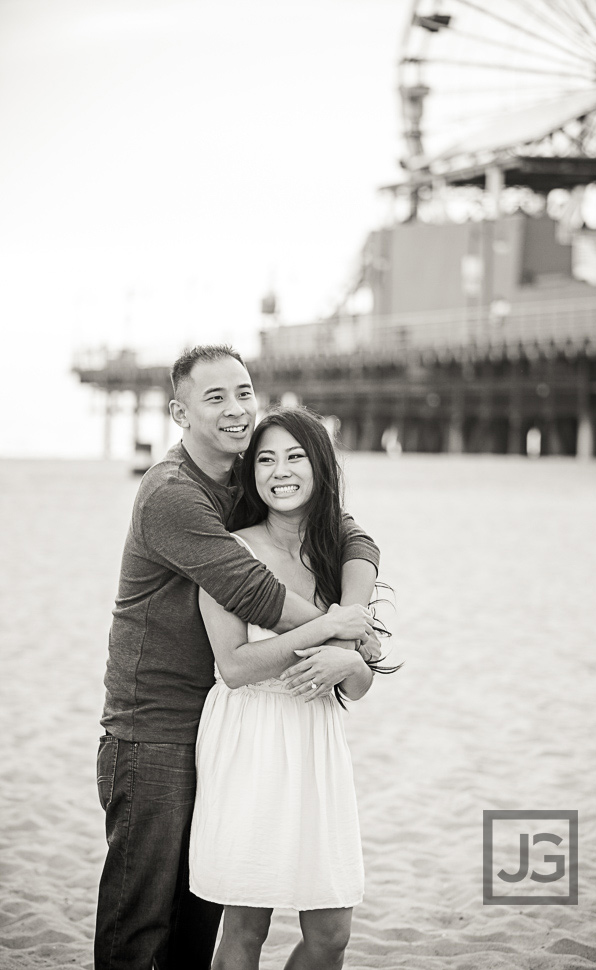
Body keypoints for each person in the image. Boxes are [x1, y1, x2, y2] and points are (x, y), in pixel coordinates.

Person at [94, 345, 381, 970]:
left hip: (218, 725)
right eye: (215, 397)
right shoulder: (174, 494)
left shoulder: (240, 479)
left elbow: (342, 526)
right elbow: (257, 595)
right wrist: (350, 633)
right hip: (154, 726)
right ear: (179, 411)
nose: (236, 409)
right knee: (141, 922)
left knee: (200, 915)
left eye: (244, 392)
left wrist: (356, 606)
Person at [190, 405, 397, 970]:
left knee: (332, 932)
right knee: (246, 925)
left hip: (317, 738)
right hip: (251, 732)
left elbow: (357, 685)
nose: (280, 471)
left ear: (321, 466)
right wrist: (326, 629)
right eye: (265, 459)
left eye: (296, 456)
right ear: (251, 473)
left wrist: (343, 664)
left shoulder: (338, 557)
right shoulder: (231, 550)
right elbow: (232, 666)